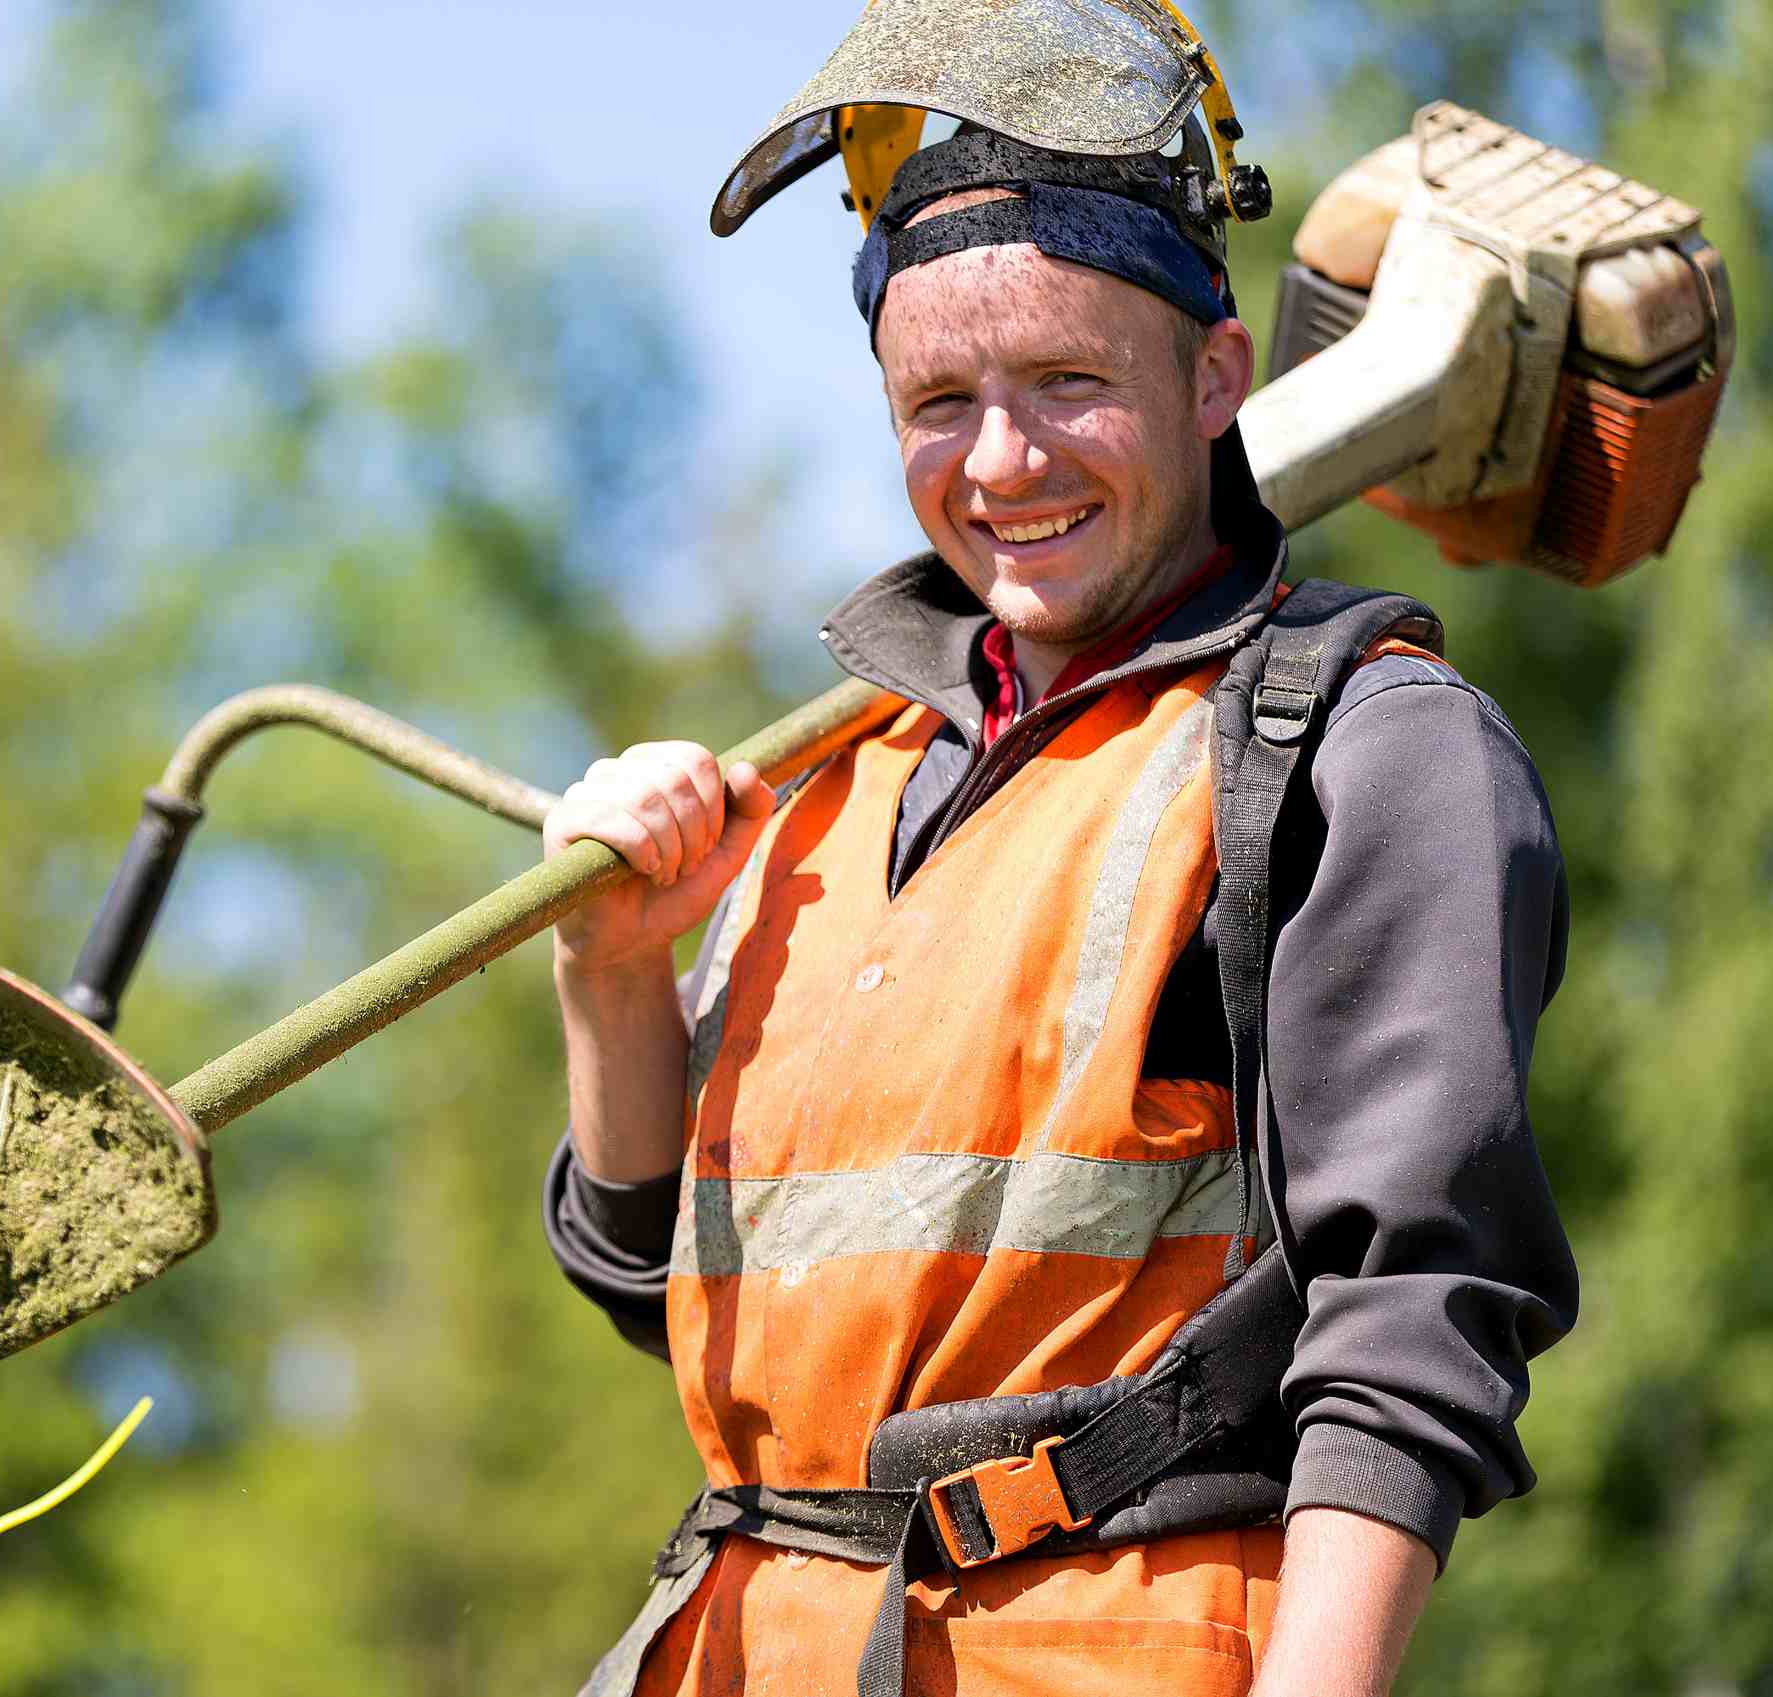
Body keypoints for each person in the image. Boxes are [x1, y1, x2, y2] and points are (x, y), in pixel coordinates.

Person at [537, 90, 1577, 1697]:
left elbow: (1413, 1327)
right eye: (938, 400)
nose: (1003, 460)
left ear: (1216, 378)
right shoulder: (839, 773)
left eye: (1070, 382)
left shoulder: (1362, 747)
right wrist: (608, 977)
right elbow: (659, 1290)